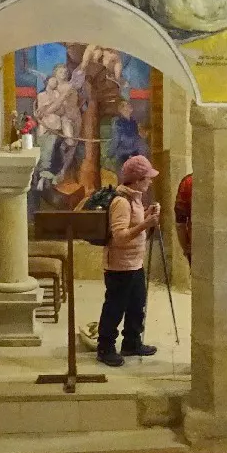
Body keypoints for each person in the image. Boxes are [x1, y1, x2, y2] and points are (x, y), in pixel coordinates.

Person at [96, 155, 161, 366]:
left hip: (135, 263)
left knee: (136, 305)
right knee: (115, 308)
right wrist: (146, 224)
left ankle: (132, 342)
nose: (150, 181)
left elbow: (134, 225)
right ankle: (105, 348)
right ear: (137, 179)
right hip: (119, 265)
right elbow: (120, 236)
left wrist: (147, 215)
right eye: (147, 178)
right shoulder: (121, 202)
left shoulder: (135, 199)